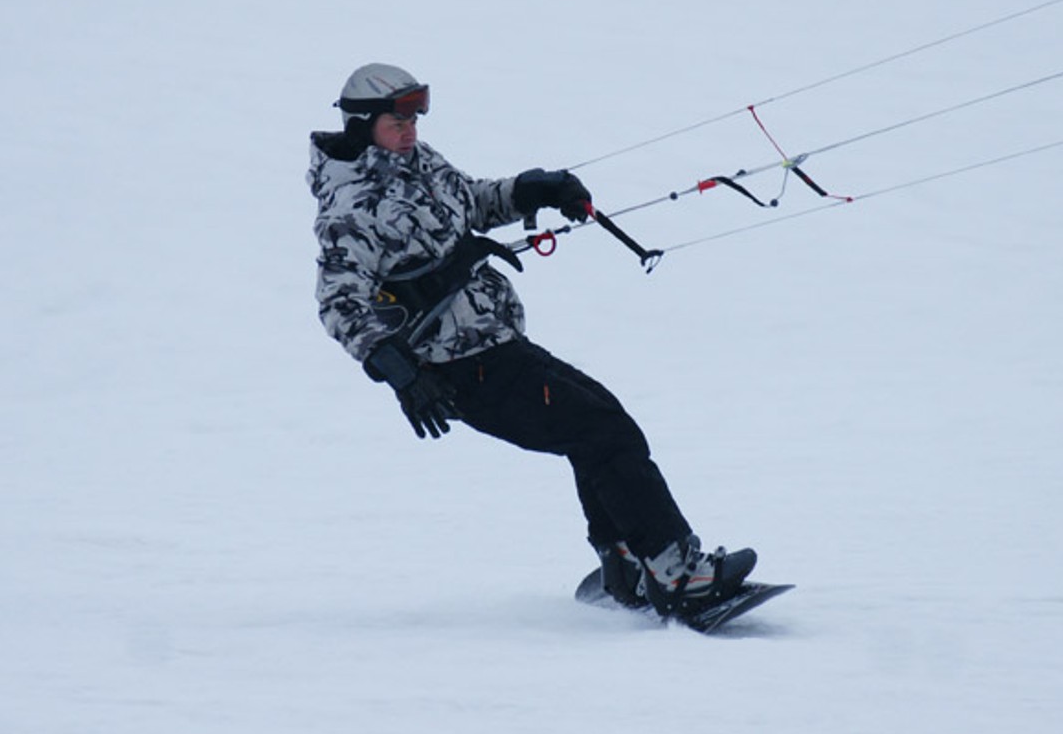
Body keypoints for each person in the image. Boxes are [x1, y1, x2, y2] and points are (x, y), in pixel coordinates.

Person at [308, 62, 755, 619]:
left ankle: (626, 564)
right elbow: (339, 303)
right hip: (458, 369)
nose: (410, 131)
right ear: (360, 125)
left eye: (415, 118)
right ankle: (677, 573)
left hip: (496, 343)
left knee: (600, 423)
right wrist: (402, 375)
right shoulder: (348, 208)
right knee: (603, 432)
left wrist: (533, 189)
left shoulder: (415, 164)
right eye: (397, 121)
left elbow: (471, 201)